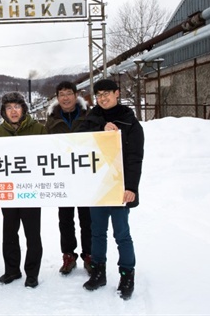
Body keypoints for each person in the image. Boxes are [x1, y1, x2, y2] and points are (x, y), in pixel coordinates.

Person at [77, 79, 144, 300]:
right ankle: (98, 272)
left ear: (117, 93)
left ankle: (126, 274)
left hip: (118, 187)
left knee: (121, 233)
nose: (103, 98)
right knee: (97, 232)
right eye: (99, 95)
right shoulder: (91, 118)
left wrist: (131, 187)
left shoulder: (130, 122)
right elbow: (79, 141)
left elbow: (135, 158)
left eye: (107, 93)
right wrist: (101, 129)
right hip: (96, 186)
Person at [0, 92, 47, 289]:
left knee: (32, 234)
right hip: (8, 191)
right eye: (9, 108)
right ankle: (12, 270)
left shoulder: (39, 129)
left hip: (31, 190)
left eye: (17, 107)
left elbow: (48, 156)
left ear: (23, 109)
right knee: (9, 233)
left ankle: (32, 273)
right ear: (3, 112)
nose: (13, 111)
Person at [45, 81, 92, 276]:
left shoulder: (89, 116)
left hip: (87, 175)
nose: (65, 98)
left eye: (68, 93)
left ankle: (89, 255)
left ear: (76, 95)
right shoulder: (51, 119)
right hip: (63, 176)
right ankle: (68, 255)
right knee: (65, 218)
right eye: (61, 94)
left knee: (87, 218)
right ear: (57, 98)